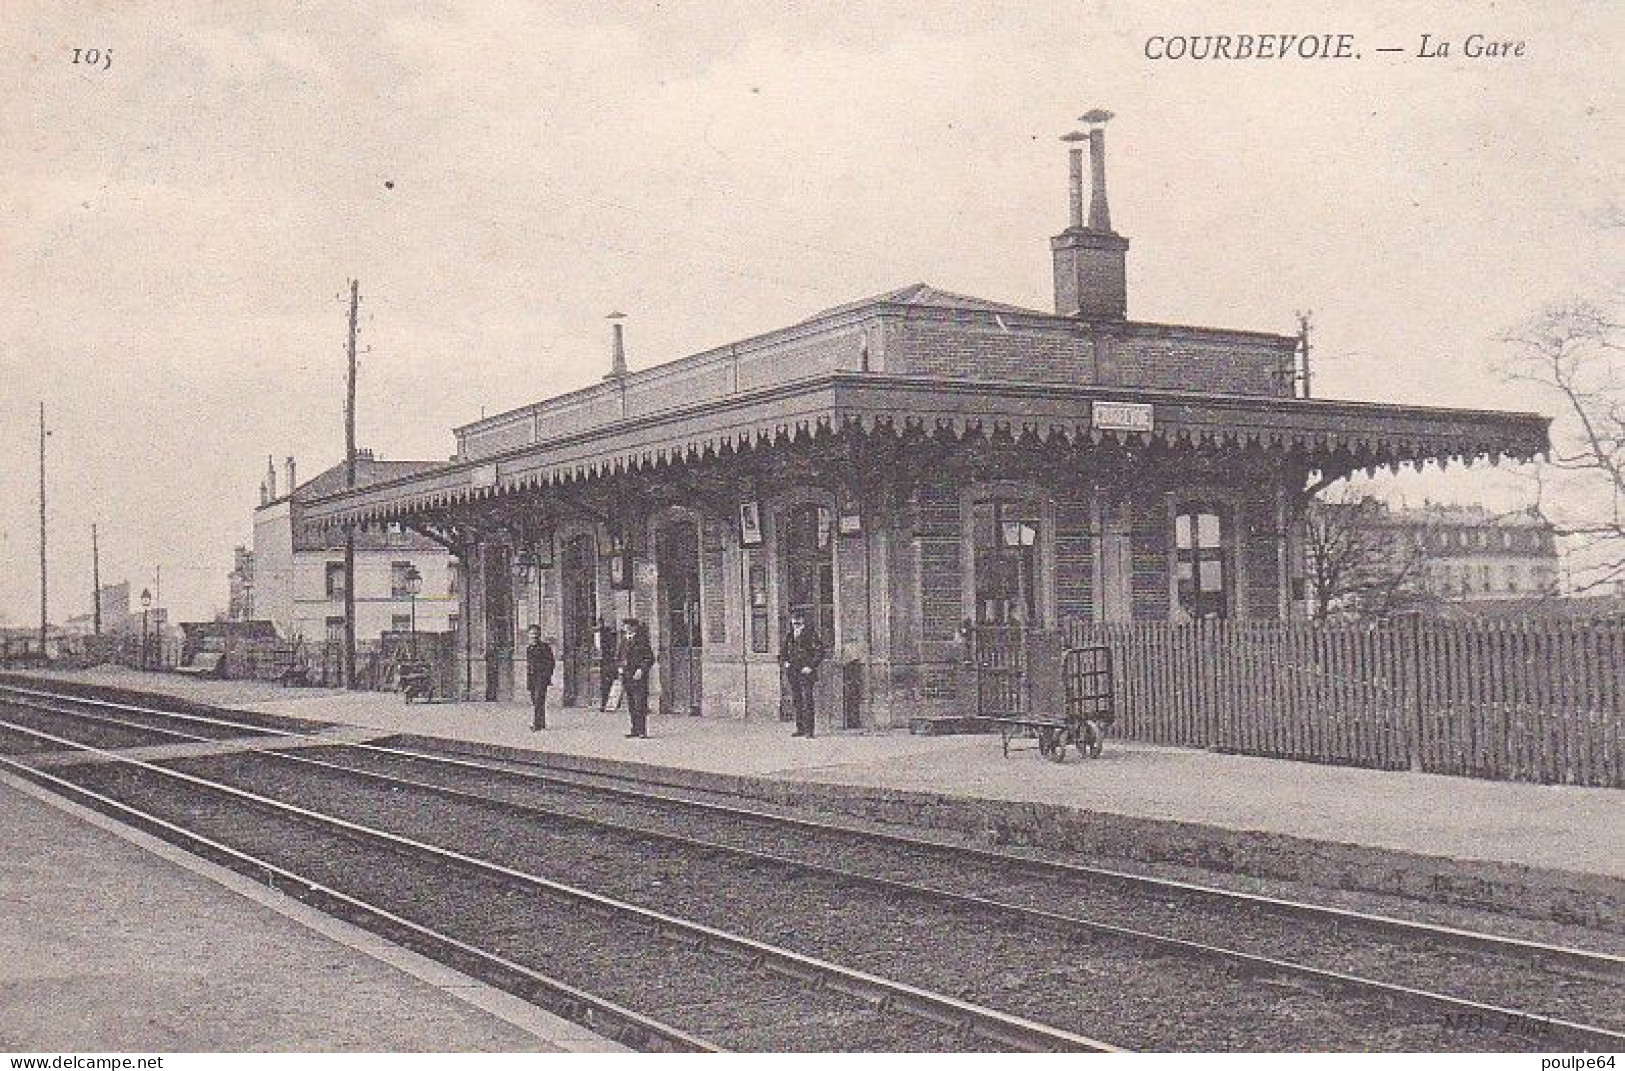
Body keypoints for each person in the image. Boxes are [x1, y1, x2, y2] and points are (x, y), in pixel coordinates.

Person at [780, 610, 826, 737]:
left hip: (805, 672)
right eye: (794, 620)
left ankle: (809, 731)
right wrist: (785, 662)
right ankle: (800, 728)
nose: (796, 622)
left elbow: (820, 651)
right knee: (797, 700)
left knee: (807, 700)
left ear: (803, 621)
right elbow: (783, 652)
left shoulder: (811, 634)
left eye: (798, 620)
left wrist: (811, 666)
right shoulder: (789, 635)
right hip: (793, 672)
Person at [618, 617, 655, 738]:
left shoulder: (641, 641)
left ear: (634, 628)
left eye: (629, 626)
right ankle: (634, 729)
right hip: (627, 676)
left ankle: (642, 731)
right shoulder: (623, 641)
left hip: (638, 677)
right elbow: (619, 657)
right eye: (625, 627)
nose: (626, 629)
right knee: (631, 705)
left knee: (640, 704)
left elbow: (649, 658)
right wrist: (619, 667)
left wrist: (641, 670)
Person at [524, 626, 554, 731]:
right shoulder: (529, 648)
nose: (533, 636)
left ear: (539, 635)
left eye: (535, 633)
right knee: (535, 701)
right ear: (528, 635)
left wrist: (546, 676)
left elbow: (551, 662)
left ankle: (537, 725)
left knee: (538, 700)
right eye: (531, 634)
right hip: (532, 678)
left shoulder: (545, 647)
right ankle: (542, 723)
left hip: (541, 678)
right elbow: (529, 665)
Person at [596, 617, 619, 710]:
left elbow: (610, 649)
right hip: (604, 662)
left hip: (607, 662)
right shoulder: (598, 635)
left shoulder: (607, 635)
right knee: (605, 684)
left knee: (607, 683)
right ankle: (604, 703)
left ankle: (607, 703)